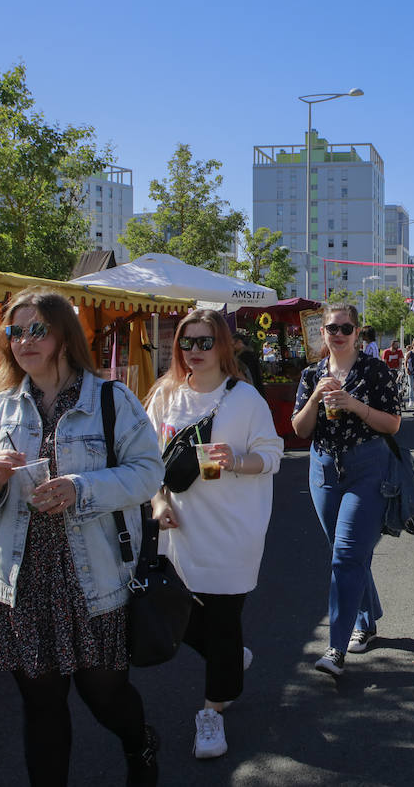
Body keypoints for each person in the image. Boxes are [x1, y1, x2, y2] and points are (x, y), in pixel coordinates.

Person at [0, 288, 164, 786]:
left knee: (105, 695)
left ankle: (141, 744)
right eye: (15, 331)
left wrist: (80, 487)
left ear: (64, 337)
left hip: (93, 580)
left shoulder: (110, 400)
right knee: (41, 705)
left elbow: (148, 473)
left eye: (36, 329)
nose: (23, 340)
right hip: (24, 582)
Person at [145, 310, 284, 760]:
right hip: (179, 529)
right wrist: (158, 501)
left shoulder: (244, 399)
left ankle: (211, 713)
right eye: (187, 342)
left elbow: (272, 455)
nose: (195, 352)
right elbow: (145, 461)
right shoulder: (165, 396)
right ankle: (227, 659)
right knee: (176, 614)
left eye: (205, 342)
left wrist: (236, 461)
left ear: (223, 346)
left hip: (233, 528)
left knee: (223, 620)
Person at [291, 303, 402, 678]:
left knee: (347, 555)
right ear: (321, 333)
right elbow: (300, 430)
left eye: (346, 328)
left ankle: (336, 648)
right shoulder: (311, 374)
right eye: (331, 329)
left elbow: (393, 424)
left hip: (367, 467)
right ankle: (368, 620)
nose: (338, 334)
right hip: (322, 468)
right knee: (347, 553)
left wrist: (354, 404)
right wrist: (314, 398)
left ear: (357, 333)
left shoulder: (374, 371)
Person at [231, 328, 266, 398]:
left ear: (239, 342)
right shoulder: (250, 354)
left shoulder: (244, 356)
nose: (232, 347)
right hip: (256, 391)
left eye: (233, 344)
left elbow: (249, 377)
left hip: (250, 392)